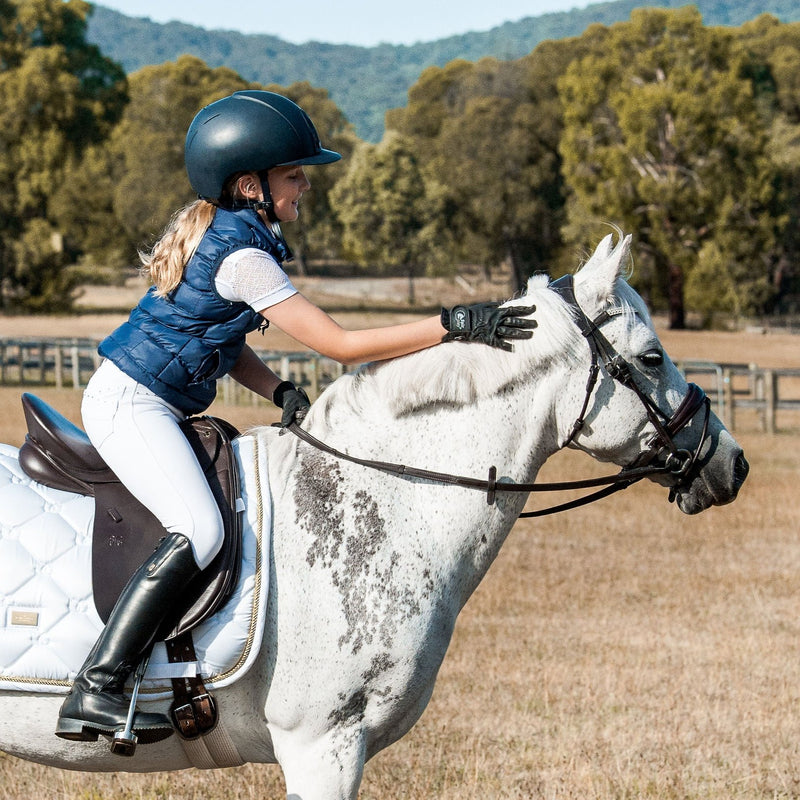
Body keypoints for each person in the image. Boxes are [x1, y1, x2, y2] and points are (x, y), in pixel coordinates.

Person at [55, 90, 537, 744]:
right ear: (251, 185)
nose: (305, 185)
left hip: (152, 400)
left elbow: (218, 341)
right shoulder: (244, 256)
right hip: (132, 405)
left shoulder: (239, 238)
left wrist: (277, 388)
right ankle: (98, 686)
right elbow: (340, 345)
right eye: (293, 175)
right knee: (199, 529)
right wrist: (451, 325)